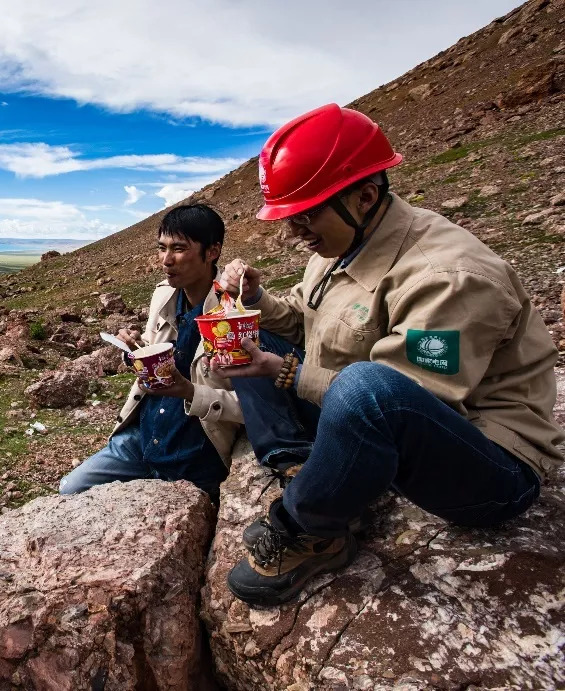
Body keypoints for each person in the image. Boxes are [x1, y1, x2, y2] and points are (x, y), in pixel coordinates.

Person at [207, 103, 564, 606]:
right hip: (374, 410)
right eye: (291, 217)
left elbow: (399, 398)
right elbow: (308, 325)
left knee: (362, 388)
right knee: (247, 339)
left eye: (307, 214)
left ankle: (309, 524)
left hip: (487, 461)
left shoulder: (446, 277)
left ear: (366, 195)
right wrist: (257, 306)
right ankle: (300, 463)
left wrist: (285, 371)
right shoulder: (344, 244)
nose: (296, 231)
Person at [59, 204, 243, 505]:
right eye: (162, 248)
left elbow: (253, 405)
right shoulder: (164, 294)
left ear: (212, 252)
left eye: (179, 249)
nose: (166, 261)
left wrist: (190, 391)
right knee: (69, 490)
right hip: (143, 440)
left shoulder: (234, 313)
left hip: (194, 456)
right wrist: (134, 349)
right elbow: (155, 349)